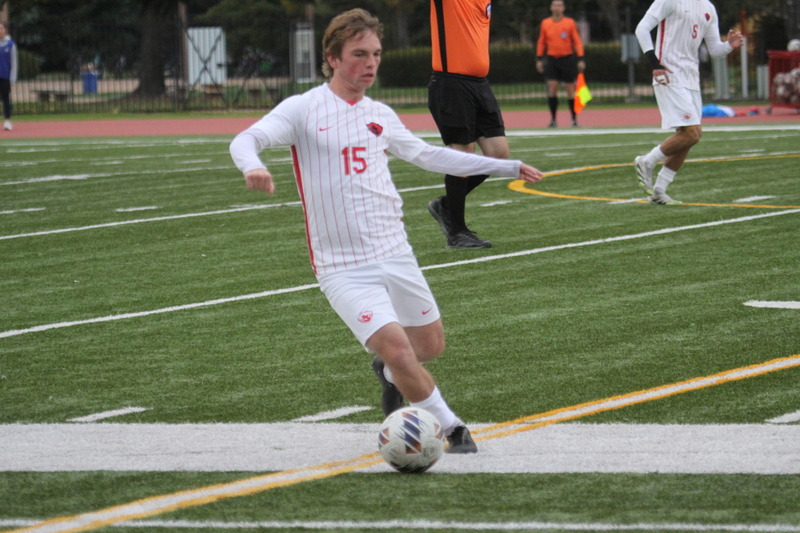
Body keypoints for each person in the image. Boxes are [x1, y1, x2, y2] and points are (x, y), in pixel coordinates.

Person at [229, 9, 543, 454]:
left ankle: (390, 374)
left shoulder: (380, 114)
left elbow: (431, 157)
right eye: (359, 54)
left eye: (375, 53)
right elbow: (245, 139)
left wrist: (505, 164)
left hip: (395, 251)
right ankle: (452, 429)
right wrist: (253, 165)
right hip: (342, 266)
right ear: (332, 58)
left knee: (428, 347)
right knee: (398, 348)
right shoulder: (304, 108)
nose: (370, 63)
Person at [633, 0, 742, 205]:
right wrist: (654, 64)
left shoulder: (708, 8)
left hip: (691, 79)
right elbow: (642, 28)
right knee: (691, 132)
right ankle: (646, 161)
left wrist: (729, 45)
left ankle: (659, 191)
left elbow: (715, 50)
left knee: (692, 135)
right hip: (669, 74)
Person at [426, 0, 510, 249]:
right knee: (462, 154)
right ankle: (457, 232)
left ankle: (446, 206)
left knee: (498, 154)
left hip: (478, 84)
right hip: (451, 83)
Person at [536, 0, 585, 128]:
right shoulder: (545, 23)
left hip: (567, 59)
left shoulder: (569, 23)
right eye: (554, 5)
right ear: (551, 7)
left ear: (563, 8)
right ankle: (553, 119)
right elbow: (542, 41)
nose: (557, 8)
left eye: (559, 5)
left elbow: (577, 41)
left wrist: (581, 58)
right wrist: (539, 58)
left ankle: (574, 119)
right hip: (552, 59)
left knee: (570, 89)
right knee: (552, 88)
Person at [0, 21, 17, 131]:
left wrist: (13, 78)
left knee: (6, 99)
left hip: (5, 76)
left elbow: (14, 62)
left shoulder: (11, 44)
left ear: (5, 30)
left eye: (1, 28)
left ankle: (7, 121)